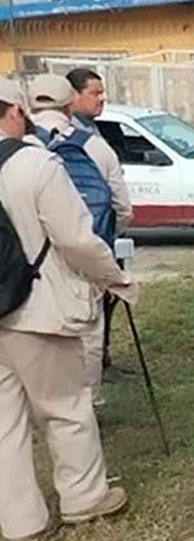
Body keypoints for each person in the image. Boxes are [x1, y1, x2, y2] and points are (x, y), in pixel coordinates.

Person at [0, 79, 137, 541]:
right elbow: (76, 238)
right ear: (15, 111)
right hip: (36, 307)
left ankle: (21, 525)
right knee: (66, 408)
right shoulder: (34, 163)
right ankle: (83, 498)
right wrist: (113, 278)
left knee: (4, 424)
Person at [29, 73, 133, 409]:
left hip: (27, 270)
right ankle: (88, 408)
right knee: (86, 341)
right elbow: (123, 208)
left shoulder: (17, 150)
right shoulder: (93, 146)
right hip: (85, 267)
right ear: (70, 101)